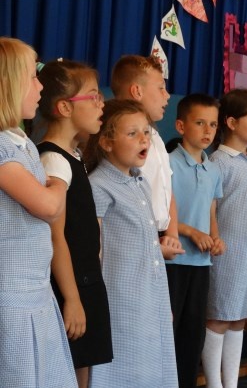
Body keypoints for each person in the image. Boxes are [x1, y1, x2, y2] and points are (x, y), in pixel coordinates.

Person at [0, 37, 77, 388]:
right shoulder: (3, 149)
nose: (41, 86)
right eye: (33, 77)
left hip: (35, 292)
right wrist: (59, 179)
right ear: (9, 85)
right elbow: (48, 206)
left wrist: (50, 186)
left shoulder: (21, 142)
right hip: (12, 300)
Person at [84, 99, 177, 387]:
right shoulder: (99, 186)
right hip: (121, 296)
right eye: (132, 133)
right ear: (107, 143)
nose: (143, 139)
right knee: (125, 367)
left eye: (146, 132)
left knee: (153, 363)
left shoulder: (140, 181)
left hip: (151, 292)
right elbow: (95, 251)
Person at [37, 59, 113, 387]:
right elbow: (56, 238)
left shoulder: (73, 155)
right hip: (71, 285)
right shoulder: (54, 160)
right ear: (65, 107)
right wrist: (71, 299)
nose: (101, 104)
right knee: (70, 369)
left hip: (85, 280)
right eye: (94, 96)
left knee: (83, 366)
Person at [201, 89, 247, 388]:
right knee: (219, 316)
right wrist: (214, 237)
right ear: (231, 122)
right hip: (227, 252)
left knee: (239, 318)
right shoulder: (217, 162)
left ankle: (230, 383)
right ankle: (214, 383)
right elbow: (210, 207)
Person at [167, 93, 226, 388]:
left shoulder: (213, 168)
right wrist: (190, 232)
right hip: (173, 261)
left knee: (193, 333)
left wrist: (215, 238)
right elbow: (161, 215)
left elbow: (211, 211)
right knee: (170, 330)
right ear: (181, 126)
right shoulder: (168, 164)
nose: (207, 131)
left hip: (201, 264)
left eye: (212, 125)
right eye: (200, 123)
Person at [110, 55, 183, 260]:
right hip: (131, 239)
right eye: (160, 88)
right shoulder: (120, 140)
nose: (167, 96)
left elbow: (167, 187)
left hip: (156, 238)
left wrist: (172, 234)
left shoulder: (155, 137)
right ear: (137, 91)